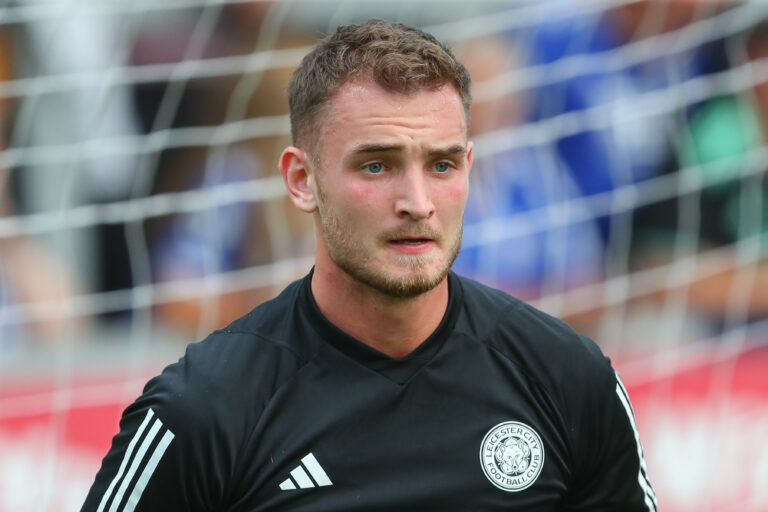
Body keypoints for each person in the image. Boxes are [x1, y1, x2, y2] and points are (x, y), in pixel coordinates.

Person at [81, 19, 656, 511]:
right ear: (301, 180)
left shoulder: (569, 379)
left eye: (442, 165)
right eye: (377, 166)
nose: (418, 201)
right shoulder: (203, 409)